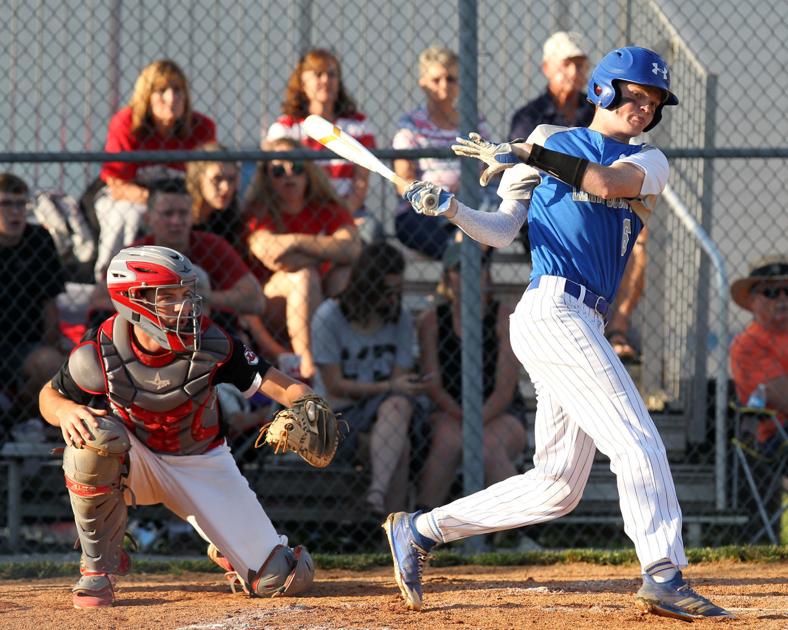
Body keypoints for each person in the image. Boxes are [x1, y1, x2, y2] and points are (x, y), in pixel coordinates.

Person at [383, 46, 732, 621]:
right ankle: (664, 574)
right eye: (635, 95)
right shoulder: (549, 137)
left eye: (653, 103)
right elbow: (500, 231)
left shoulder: (649, 161)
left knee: (557, 486)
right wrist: (451, 210)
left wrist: (526, 152)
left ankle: (420, 529)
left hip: (584, 319)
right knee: (636, 441)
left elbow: (601, 180)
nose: (643, 110)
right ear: (603, 90)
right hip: (552, 309)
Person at [39, 245, 319, 608]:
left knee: (282, 577)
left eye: (187, 294)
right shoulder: (101, 348)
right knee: (91, 438)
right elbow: (49, 396)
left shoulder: (211, 339)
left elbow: (274, 381)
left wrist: (309, 403)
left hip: (201, 461)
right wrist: (64, 412)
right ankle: (98, 568)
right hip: (134, 460)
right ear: (134, 300)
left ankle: (225, 544)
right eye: (170, 296)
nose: (185, 306)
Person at [311, 242, 426, 517]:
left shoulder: (399, 319)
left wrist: (390, 389)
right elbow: (334, 386)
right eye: (387, 291)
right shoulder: (330, 316)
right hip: (338, 415)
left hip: (386, 413)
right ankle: (395, 530)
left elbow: (400, 383)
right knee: (399, 436)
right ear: (366, 284)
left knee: (397, 409)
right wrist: (387, 387)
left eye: (398, 292)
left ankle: (376, 498)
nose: (392, 300)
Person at [415, 243, 527, 509]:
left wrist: (475, 423)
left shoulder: (504, 318)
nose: (468, 275)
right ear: (447, 277)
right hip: (450, 411)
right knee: (447, 442)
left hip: (501, 413)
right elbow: (433, 386)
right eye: (459, 269)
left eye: (476, 268)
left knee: (487, 446)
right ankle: (419, 528)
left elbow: (504, 391)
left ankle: (524, 530)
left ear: (486, 274)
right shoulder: (431, 321)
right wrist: (464, 419)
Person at [244, 137, 362, 379]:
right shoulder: (259, 210)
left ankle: (346, 355)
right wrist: (322, 250)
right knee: (304, 276)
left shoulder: (328, 208)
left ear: (308, 172)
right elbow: (273, 254)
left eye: (296, 167)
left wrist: (296, 243)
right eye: (278, 170)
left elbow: (351, 249)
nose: (289, 175)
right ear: (267, 177)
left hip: (319, 293)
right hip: (269, 305)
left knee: (344, 272)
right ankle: (310, 367)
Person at [89, 181, 264, 338]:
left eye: (183, 213)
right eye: (168, 213)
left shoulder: (213, 246)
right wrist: (155, 308)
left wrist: (200, 297)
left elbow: (256, 300)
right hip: (148, 335)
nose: (176, 221)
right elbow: (98, 301)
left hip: (209, 331)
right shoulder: (135, 255)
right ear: (148, 218)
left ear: (192, 217)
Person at [92, 59, 216, 281]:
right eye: (161, 91)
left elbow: (209, 180)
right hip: (130, 198)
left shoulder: (202, 127)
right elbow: (117, 184)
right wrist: (157, 203)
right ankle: (111, 278)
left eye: (178, 90)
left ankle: (188, 278)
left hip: (181, 200)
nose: (171, 98)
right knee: (128, 215)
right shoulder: (127, 123)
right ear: (146, 96)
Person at [264, 48, 381, 242]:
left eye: (332, 74)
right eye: (318, 74)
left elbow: (360, 185)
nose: (326, 80)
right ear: (302, 82)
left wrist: (341, 217)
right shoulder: (285, 128)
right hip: (301, 212)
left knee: (369, 232)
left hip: (347, 211)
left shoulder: (359, 126)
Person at [391, 45, 492, 260]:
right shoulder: (411, 124)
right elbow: (403, 180)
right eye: (436, 80)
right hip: (427, 207)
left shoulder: (473, 120)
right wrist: (436, 193)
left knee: (493, 207)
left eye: (451, 79)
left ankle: (458, 262)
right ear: (423, 83)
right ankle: (460, 261)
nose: (444, 85)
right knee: (411, 223)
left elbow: (489, 167)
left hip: (469, 203)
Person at [0, 173, 67, 425]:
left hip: (27, 344)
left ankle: (15, 419)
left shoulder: (38, 239)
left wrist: (53, 343)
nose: (15, 212)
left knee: (54, 365)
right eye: (5, 204)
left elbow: (50, 303)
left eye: (21, 204)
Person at [729, 255, 788, 453]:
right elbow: (784, 396)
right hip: (777, 438)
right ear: (753, 300)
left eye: (787, 291)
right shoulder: (747, 344)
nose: (783, 299)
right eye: (771, 292)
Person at [185, 142, 244, 252]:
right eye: (217, 179)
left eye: (231, 179)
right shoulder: (181, 217)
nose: (226, 187)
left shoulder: (228, 219)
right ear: (198, 179)